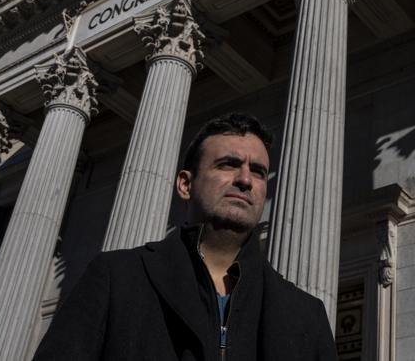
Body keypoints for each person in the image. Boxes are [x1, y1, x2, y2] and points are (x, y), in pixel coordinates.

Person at [32, 113, 337, 360]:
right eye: (228, 164)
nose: (245, 180)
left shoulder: (306, 315)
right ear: (185, 185)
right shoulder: (118, 278)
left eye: (258, 171)